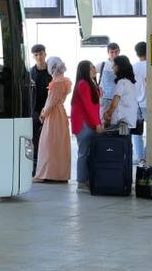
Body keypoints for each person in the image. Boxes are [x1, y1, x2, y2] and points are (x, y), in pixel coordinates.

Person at [34, 56, 72, 183]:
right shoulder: (62, 81)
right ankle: (59, 174)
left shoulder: (57, 82)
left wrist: (43, 114)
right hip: (59, 113)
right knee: (59, 144)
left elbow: (50, 102)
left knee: (48, 143)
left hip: (53, 115)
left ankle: (44, 174)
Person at [70, 60, 103, 189]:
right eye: (90, 68)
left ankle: (86, 179)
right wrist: (97, 123)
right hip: (84, 122)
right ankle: (82, 181)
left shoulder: (90, 83)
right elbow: (88, 106)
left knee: (87, 152)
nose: (94, 70)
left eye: (94, 67)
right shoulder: (84, 84)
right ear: (84, 71)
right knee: (83, 151)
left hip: (88, 121)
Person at [102, 54, 139, 134]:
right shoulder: (130, 82)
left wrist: (107, 114)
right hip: (129, 119)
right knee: (125, 143)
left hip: (121, 121)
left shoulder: (121, 82)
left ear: (120, 67)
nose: (113, 68)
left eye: (114, 65)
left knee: (117, 144)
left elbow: (114, 104)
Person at [28, 43, 51, 175]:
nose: (39, 57)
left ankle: (47, 166)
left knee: (48, 137)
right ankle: (35, 165)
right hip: (35, 109)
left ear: (45, 54)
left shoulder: (51, 71)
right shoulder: (31, 72)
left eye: (41, 54)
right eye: (36, 55)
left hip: (49, 109)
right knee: (34, 137)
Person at [132, 41, 148, 165]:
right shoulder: (151, 66)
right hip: (149, 103)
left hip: (135, 103)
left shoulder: (133, 67)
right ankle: (147, 155)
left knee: (137, 132)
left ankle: (140, 157)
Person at [96, 42, 120, 117]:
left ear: (119, 51)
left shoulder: (123, 65)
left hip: (118, 99)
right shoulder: (102, 65)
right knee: (103, 120)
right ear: (108, 52)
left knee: (115, 123)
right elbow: (89, 74)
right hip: (104, 99)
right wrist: (96, 87)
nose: (114, 54)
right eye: (112, 52)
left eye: (116, 52)